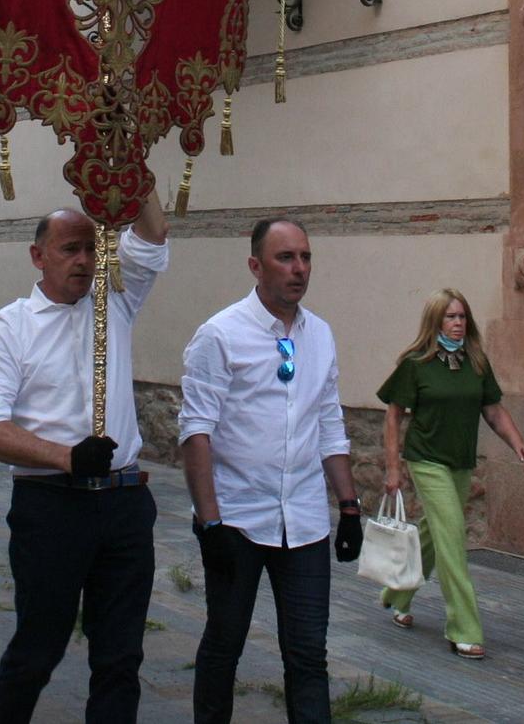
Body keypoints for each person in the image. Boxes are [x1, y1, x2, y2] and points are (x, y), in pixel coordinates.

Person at [0, 193, 170, 724]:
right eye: (70, 249)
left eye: (91, 250)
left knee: (121, 656)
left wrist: (130, 170)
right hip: (51, 506)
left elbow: (150, 237)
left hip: (124, 504)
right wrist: (66, 457)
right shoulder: (12, 327)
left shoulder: (114, 302)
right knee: (39, 648)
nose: (84, 260)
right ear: (39, 257)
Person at [180, 217, 362, 724]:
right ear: (255, 266)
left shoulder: (320, 335)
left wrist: (348, 507)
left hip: (302, 522)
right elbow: (196, 431)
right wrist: (209, 521)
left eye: (305, 257)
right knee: (224, 646)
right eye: (286, 258)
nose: (299, 269)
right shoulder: (220, 335)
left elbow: (329, 422)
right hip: (237, 519)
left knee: (308, 655)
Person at [375, 289, 524, 660]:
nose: (458, 323)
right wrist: (394, 468)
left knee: (434, 532)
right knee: (453, 538)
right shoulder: (416, 364)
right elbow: (394, 415)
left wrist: (517, 442)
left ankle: (397, 593)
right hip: (426, 460)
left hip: (459, 463)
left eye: (462, 316)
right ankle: (464, 628)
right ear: (435, 322)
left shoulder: (476, 362)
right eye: (450, 317)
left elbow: (492, 410)